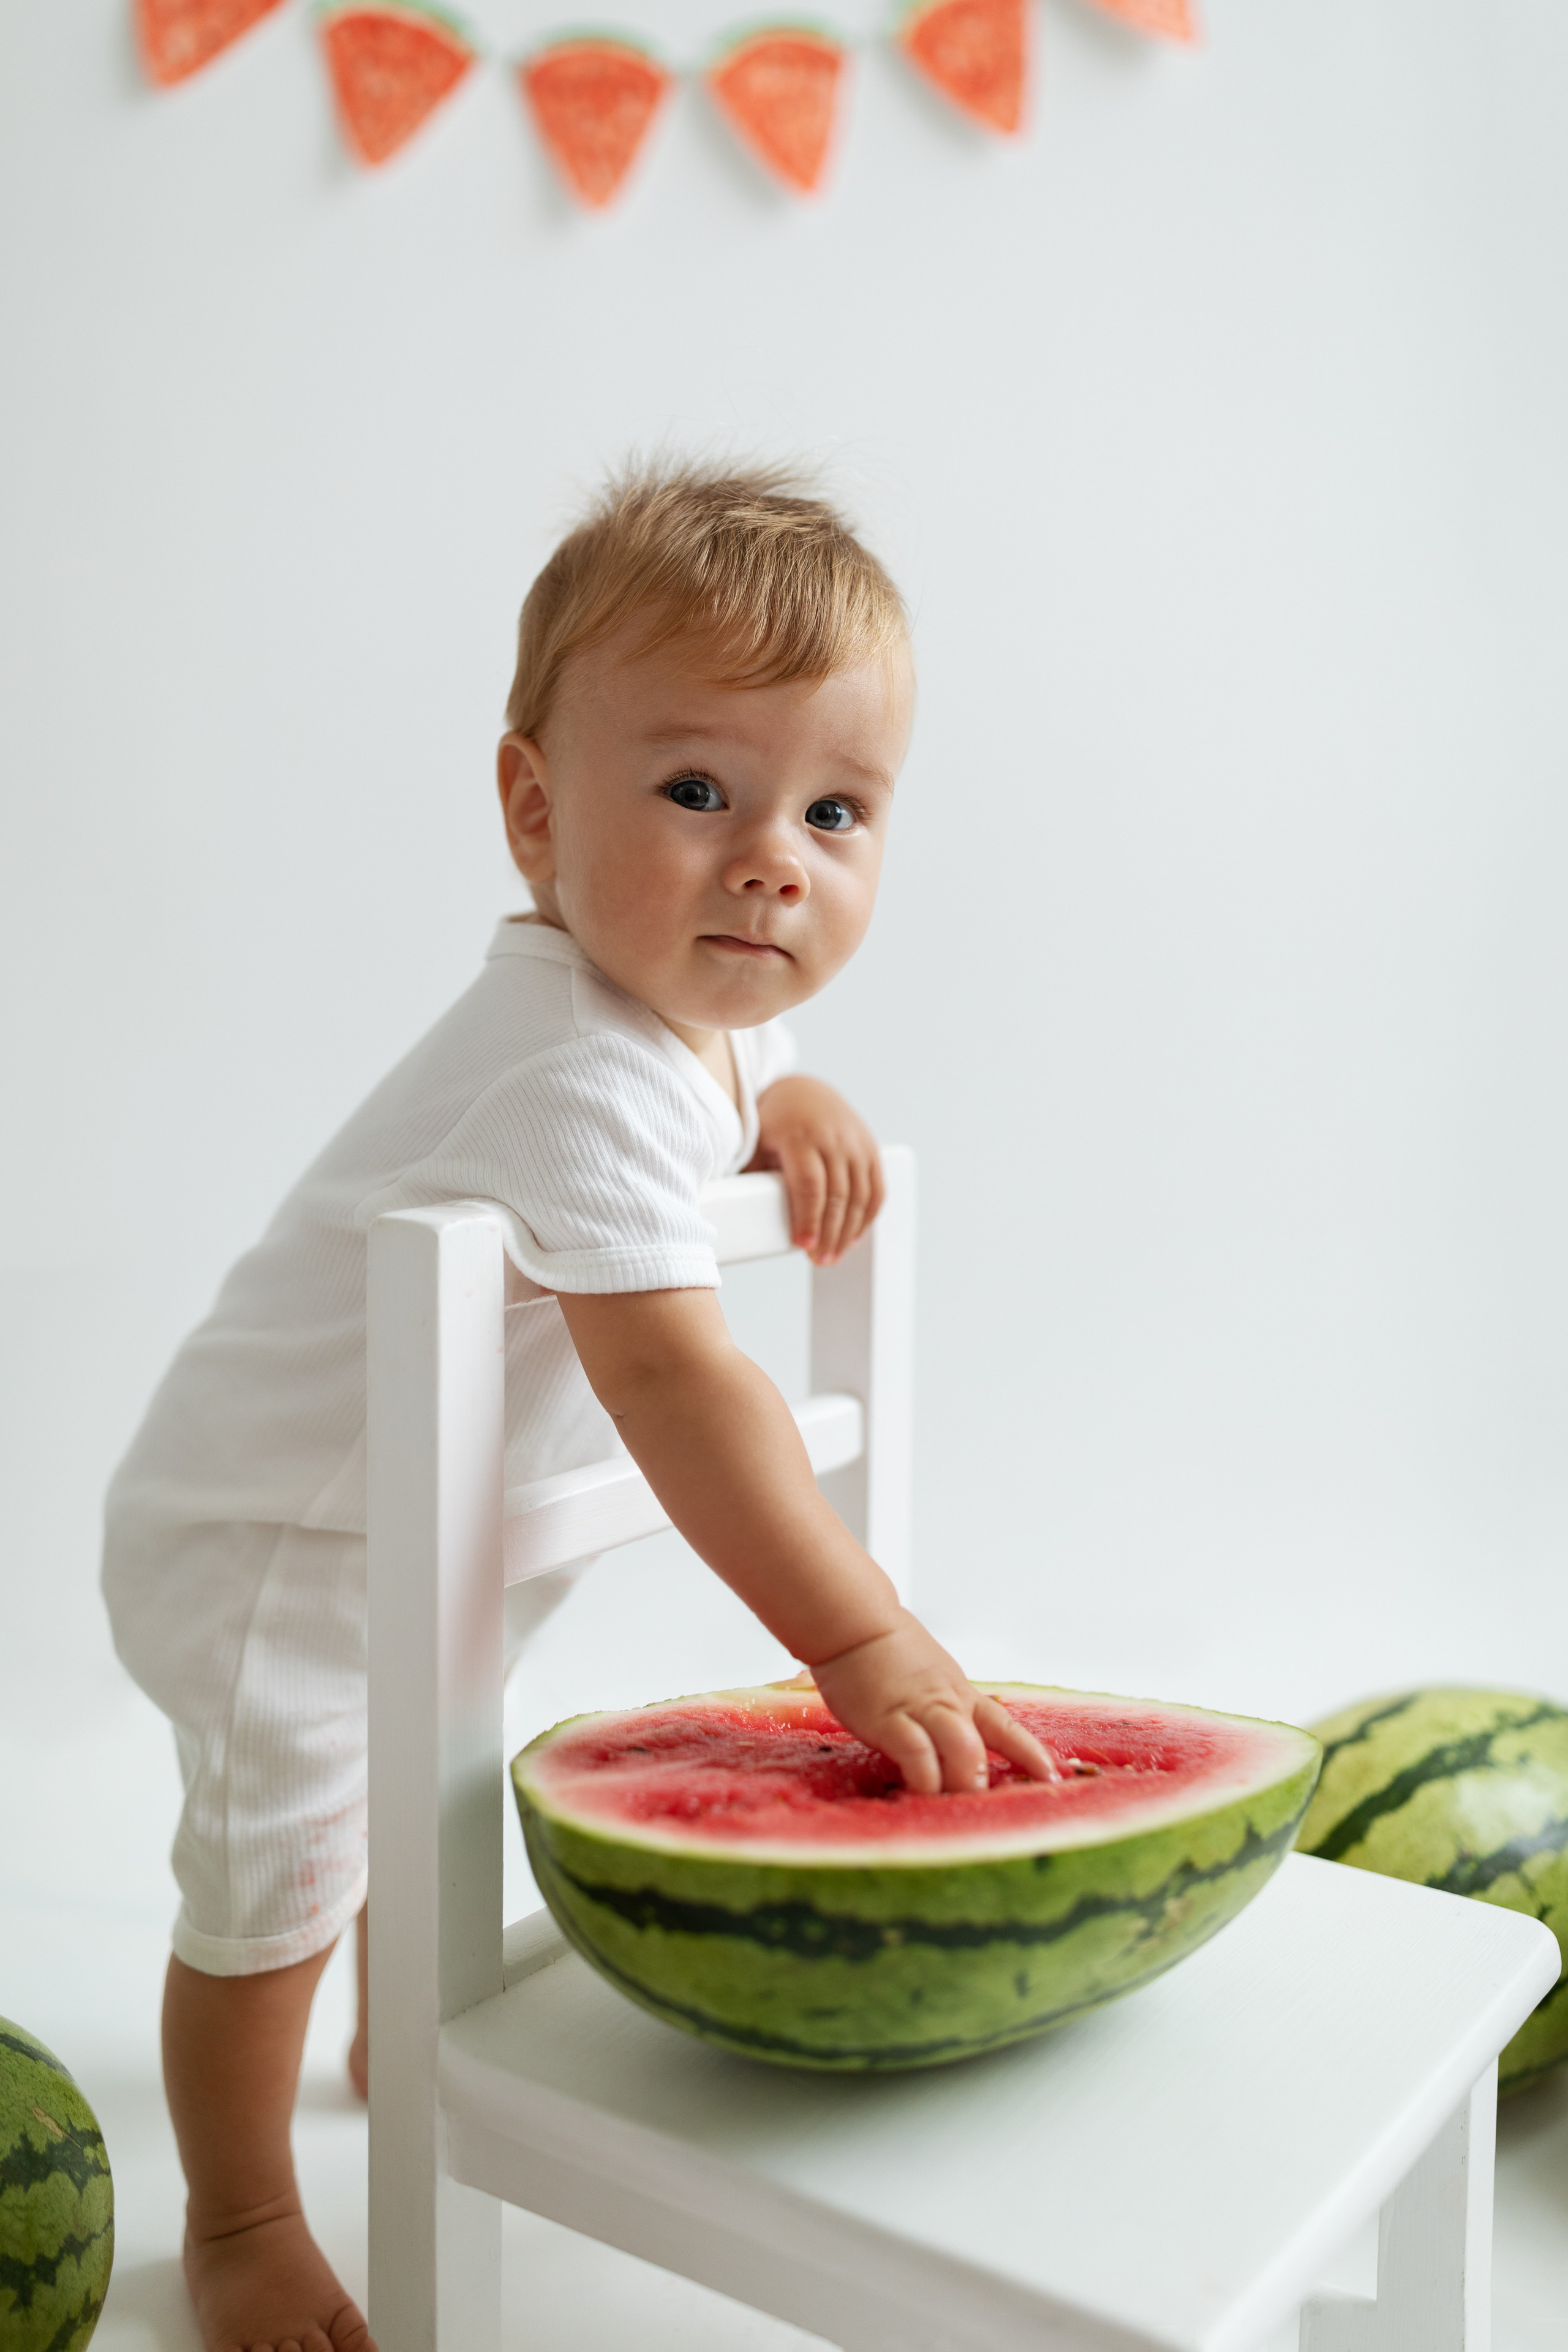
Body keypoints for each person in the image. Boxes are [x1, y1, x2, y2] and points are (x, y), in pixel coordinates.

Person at [102, 462, 1052, 2352]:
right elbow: (682, 1379)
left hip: (421, 1521)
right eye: (699, 792)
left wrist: (783, 1094)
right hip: (278, 1545)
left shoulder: (677, 1013)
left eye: (836, 809)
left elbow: (726, 1059)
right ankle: (236, 2217)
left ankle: (397, 2027)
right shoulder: (575, 1070)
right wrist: (857, 1636)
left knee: (414, 1782)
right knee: (276, 1880)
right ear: (537, 813)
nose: (772, 858)